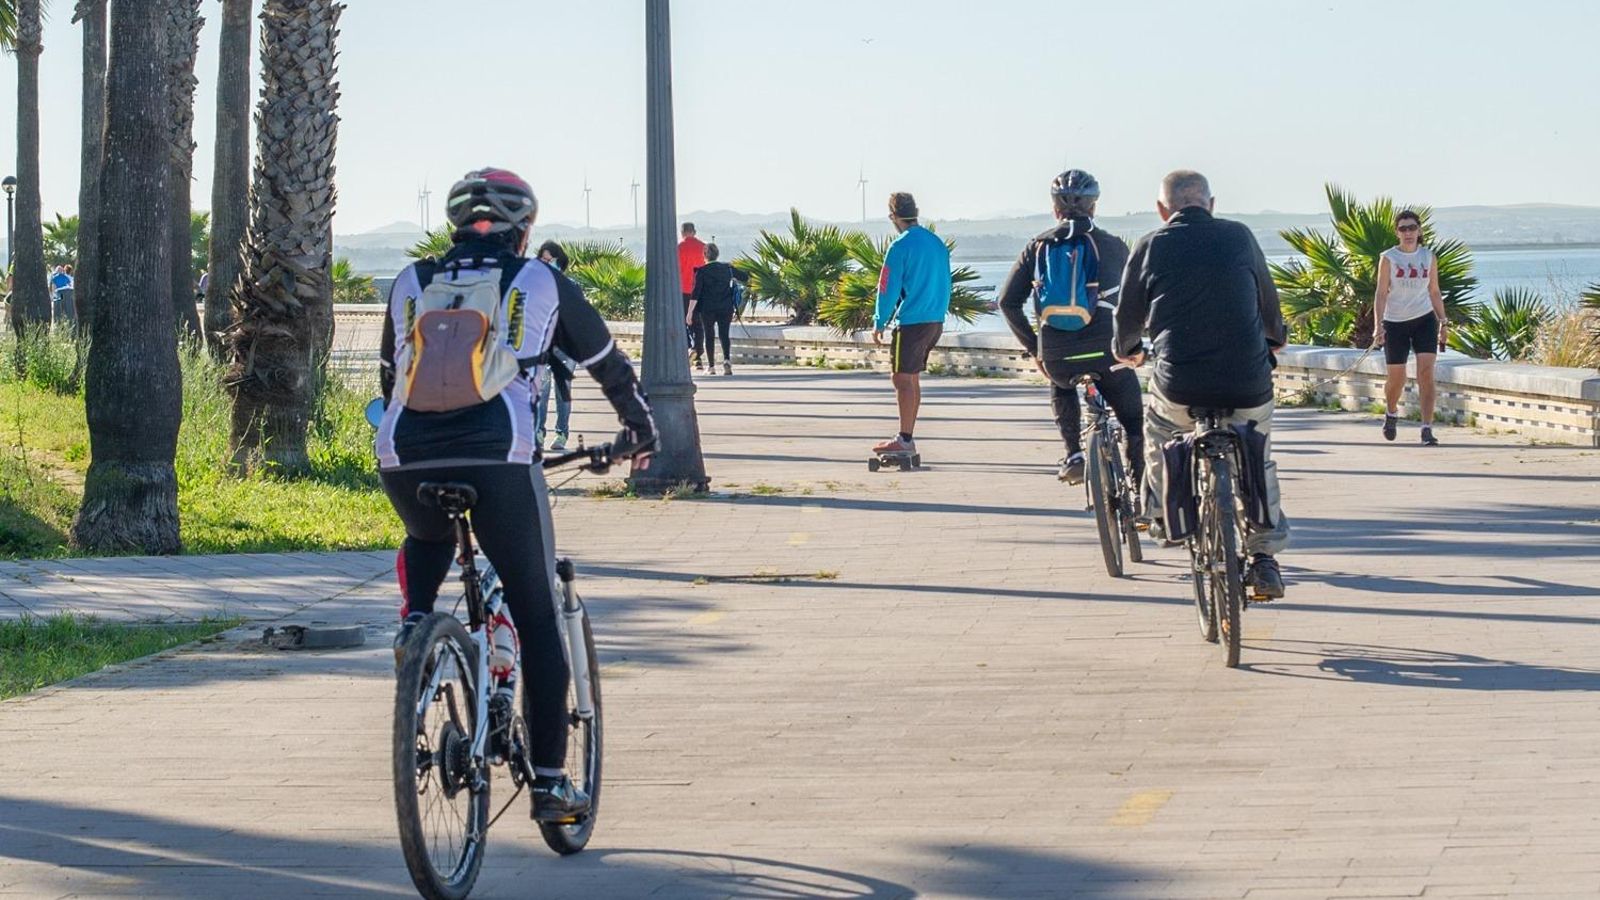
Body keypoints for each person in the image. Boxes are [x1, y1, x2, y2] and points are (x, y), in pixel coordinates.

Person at [376, 167, 656, 821]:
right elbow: (608, 365)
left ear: (454, 226)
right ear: (523, 229)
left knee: (425, 535)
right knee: (534, 613)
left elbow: (392, 374)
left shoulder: (410, 282)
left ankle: (416, 630)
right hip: (500, 453)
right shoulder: (540, 280)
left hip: (403, 453)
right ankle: (554, 785)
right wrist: (641, 432)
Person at [1113, 170, 1288, 599]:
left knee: (1159, 430)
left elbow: (1127, 317)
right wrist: (1275, 339)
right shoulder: (1240, 236)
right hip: (1247, 381)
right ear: (1211, 203)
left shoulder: (1150, 244)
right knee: (1258, 452)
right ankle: (1263, 558)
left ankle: (1159, 514)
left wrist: (1128, 349)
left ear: (1161, 210)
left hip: (1180, 384)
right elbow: (1268, 303)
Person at [999, 170, 1143, 486]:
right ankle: (1140, 487)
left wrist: (1035, 348)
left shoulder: (1037, 247)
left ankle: (1074, 453)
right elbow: (1136, 300)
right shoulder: (1113, 246)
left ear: (1055, 209)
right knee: (1133, 419)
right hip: (1107, 350)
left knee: (1061, 385)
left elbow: (1007, 303)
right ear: (1094, 206)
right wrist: (1133, 346)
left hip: (1056, 353)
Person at [870, 192, 951, 460]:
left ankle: (904, 439)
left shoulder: (900, 246)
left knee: (901, 378)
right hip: (935, 320)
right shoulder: (936, 243)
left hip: (913, 320)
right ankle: (907, 436)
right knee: (912, 378)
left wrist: (879, 320)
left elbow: (887, 287)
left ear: (893, 216)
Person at [1372, 209, 1448, 446]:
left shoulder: (1428, 256)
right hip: (1395, 323)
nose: (1408, 232)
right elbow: (1381, 293)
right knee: (1397, 378)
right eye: (1403, 228)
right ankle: (1392, 411)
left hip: (1424, 319)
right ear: (1397, 232)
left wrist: (1443, 322)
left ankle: (1426, 428)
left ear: (1419, 230)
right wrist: (1378, 326)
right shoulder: (1389, 258)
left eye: (1412, 227)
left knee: (1426, 373)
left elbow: (1434, 291)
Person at [685, 242, 749, 376]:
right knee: (724, 334)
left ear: (704, 255)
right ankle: (726, 361)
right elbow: (745, 277)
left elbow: (695, 294)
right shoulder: (728, 269)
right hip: (726, 307)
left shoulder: (701, 272)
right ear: (717, 255)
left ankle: (712, 367)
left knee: (709, 336)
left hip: (707, 309)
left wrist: (690, 312)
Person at [536, 240, 575, 450]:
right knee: (541, 392)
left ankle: (561, 434)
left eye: (550, 261)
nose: (547, 264)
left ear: (560, 263)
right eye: (543, 260)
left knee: (562, 392)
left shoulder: (571, 287)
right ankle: (538, 433)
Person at [677, 222, 708, 368]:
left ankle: (690, 350)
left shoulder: (678, 248)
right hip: (700, 291)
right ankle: (697, 353)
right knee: (698, 324)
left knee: (684, 323)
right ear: (694, 232)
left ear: (682, 232)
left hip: (683, 291)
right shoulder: (703, 247)